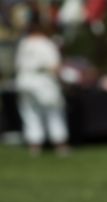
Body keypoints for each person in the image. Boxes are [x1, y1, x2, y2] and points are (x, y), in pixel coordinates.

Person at [14, 10, 69, 156]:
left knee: (30, 113)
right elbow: (55, 67)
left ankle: (35, 146)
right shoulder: (46, 44)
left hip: (24, 81)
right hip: (43, 81)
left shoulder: (24, 43)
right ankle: (60, 144)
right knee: (54, 113)